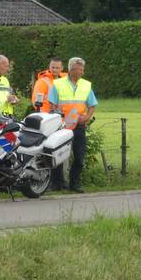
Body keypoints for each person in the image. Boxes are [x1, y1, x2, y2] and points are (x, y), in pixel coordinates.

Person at [48, 57, 97, 193]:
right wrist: (59, 117)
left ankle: (74, 184)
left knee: (80, 156)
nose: (82, 72)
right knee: (58, 155)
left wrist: (87, 117)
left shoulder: (86, 85)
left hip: (79, 126)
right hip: (61, 126)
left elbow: (92, 105)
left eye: (82, 69)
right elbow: (52, 104)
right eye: (79, 69)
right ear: (71, 70)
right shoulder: (58, 84)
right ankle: (56, 184)